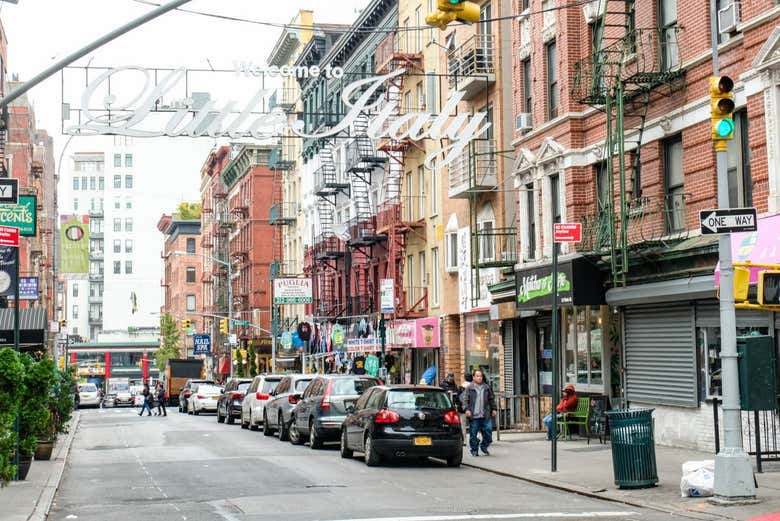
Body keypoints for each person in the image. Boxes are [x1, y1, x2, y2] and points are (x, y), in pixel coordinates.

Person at [463, 370, 497, 457]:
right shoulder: (469, 388)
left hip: (485, 415)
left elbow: (491, 399)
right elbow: (465, 400)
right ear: (473, 377)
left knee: (489, 432)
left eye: (481, 376)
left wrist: (494, 409)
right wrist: (466, 409)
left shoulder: (486, 387)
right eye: (477, 376)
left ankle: (484, 446)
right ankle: (474, 450)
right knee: (473, 434)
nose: (479, 378)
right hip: (474, 416)